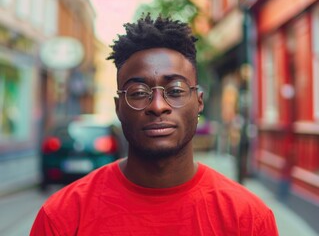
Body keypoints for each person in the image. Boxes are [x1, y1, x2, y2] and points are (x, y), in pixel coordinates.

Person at [30, 14, 279, 235]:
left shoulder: (248, 219)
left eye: (175, 90)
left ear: (199, 101)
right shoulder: (62, 217)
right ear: (119, 107)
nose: (158, 105)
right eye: (138, 92)